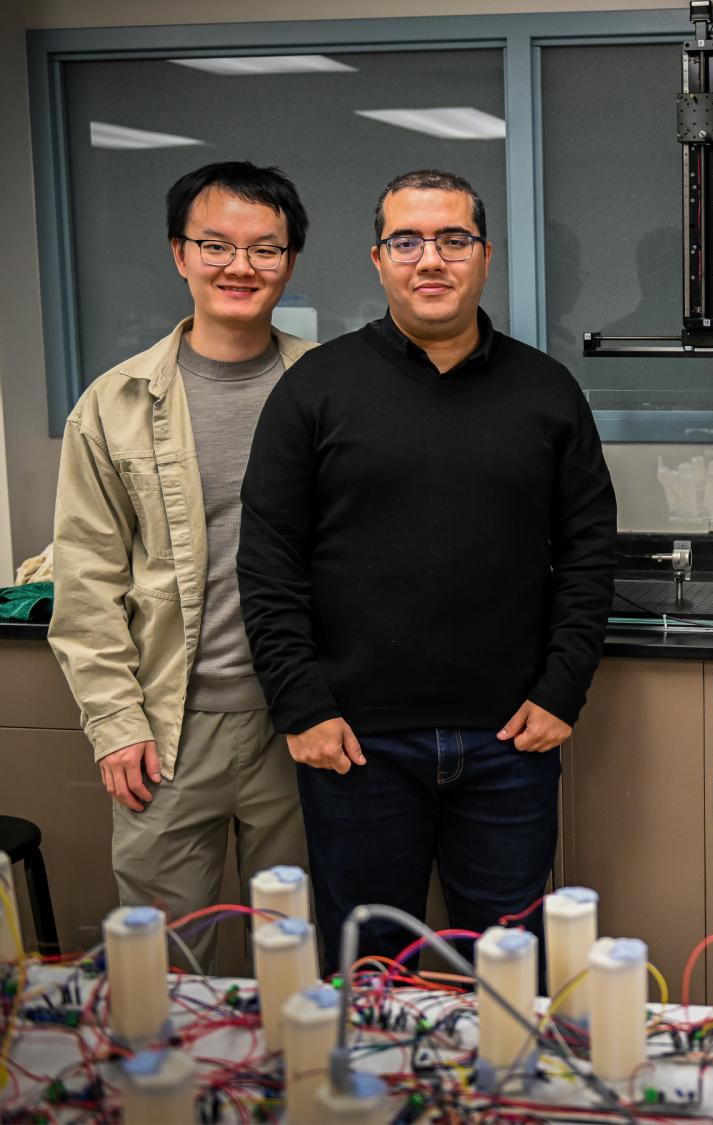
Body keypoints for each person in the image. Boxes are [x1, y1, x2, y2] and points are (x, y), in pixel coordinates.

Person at [238, 169, 616, 966]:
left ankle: (499, 1097)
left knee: (511, 973)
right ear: (378, 260)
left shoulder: (547, 391)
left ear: (484, 256)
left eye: (453, 239)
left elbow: (587, 551)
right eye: (407, 241)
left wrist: (561, 690)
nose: (431, 259)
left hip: (511, 745)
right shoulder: (315, 389)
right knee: (370, 973)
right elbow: (269, 562)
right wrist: (301, 706)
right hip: (354, 747)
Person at [49, 162, 315, 971]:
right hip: (168, 732)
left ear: (290, 262)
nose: (240, 267)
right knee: (165, 975)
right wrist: (115, 722)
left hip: (302, 726)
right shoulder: (113, 403)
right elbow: (87, 577)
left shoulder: (334, 388)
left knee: (297, 965)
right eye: (216, 245)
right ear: (179, 253)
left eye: (264, 249)